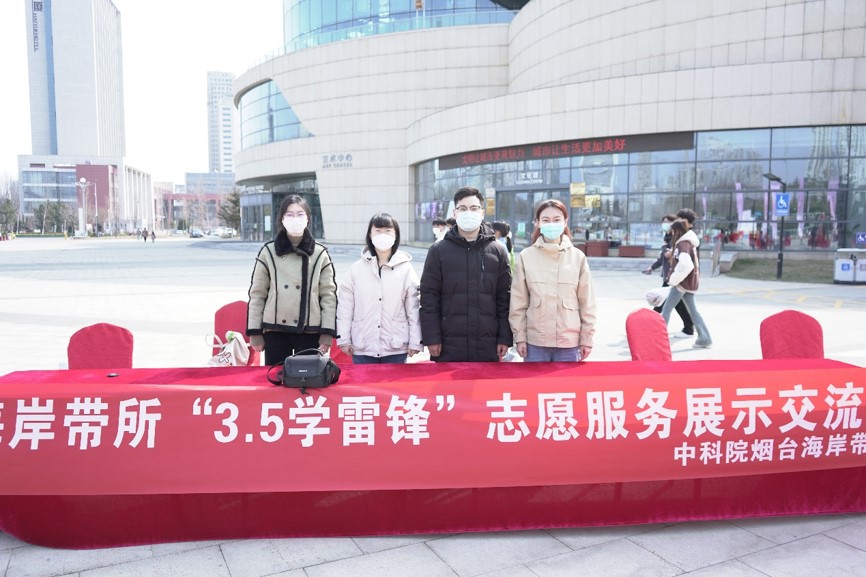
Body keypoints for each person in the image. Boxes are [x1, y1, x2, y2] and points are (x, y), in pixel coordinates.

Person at [420, 187, 512, 362]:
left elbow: (504, 297)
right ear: (455, 213)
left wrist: (504, 337)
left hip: (487, 342)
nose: (468, 212)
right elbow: (429, 297)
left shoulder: (497, 251)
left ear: (482, 213)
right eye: (462, 208)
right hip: (448, 343)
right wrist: (432, 337)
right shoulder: (438, 251)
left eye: (474, 208)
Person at [247, 195, 338, 365]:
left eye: (300, 214)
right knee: (276, 377)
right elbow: (257, 294)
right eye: (289, 214)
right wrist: (255, 331)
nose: (295, 218)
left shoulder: (320, 253)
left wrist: (327, 333)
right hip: (275, 330)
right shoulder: (268, 252)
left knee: (308, 378)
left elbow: (328, 296)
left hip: (310, 330)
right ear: (282, 219)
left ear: (308, 218)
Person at [509, 199, 596, 362]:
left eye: (556, 220)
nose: (551, 224)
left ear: (565, 222)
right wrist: (520, 337)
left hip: (569, 343)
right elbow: (518, 302)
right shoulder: (526, 256)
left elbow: (587, 302)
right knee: (533, 380)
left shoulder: (577, 257)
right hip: (535, 344)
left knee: (567, 380)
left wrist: (586, 338)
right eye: (546, 220)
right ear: (537, 223)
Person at [337, 213, 422, 364]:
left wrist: (416, 341)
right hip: (363, 346)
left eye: (388, 231)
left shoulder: (406, 269)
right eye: (378, 231)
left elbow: (413, 308)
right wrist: (343, 338)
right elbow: (345, 307)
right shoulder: (356, 269)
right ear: (370, 234)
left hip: (395, 347)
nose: (383, 235)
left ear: (396, 235)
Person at [660, 219, 713, 349]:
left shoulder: (683, 244)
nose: (672, 234)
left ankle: (658, 338)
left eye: (673, 231)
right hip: (687, 283)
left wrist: (674, 279)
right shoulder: (688, 243)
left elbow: (686, 265)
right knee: (693, 311)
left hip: (681, 284)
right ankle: (705, 338)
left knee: (666, 309)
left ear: (677, 230)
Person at [642, 213, 694, 338]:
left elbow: (681, 259)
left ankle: (653, 328)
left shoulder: (677, 240)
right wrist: (652, 267)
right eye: (664, 221)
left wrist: (671, 254)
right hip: (670, 276)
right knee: (677, 305)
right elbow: (661, 259)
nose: (665, 224)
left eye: (668, 221)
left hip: (673, 277)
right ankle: (689, 327)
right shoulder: (668, 238)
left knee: (661, 302)